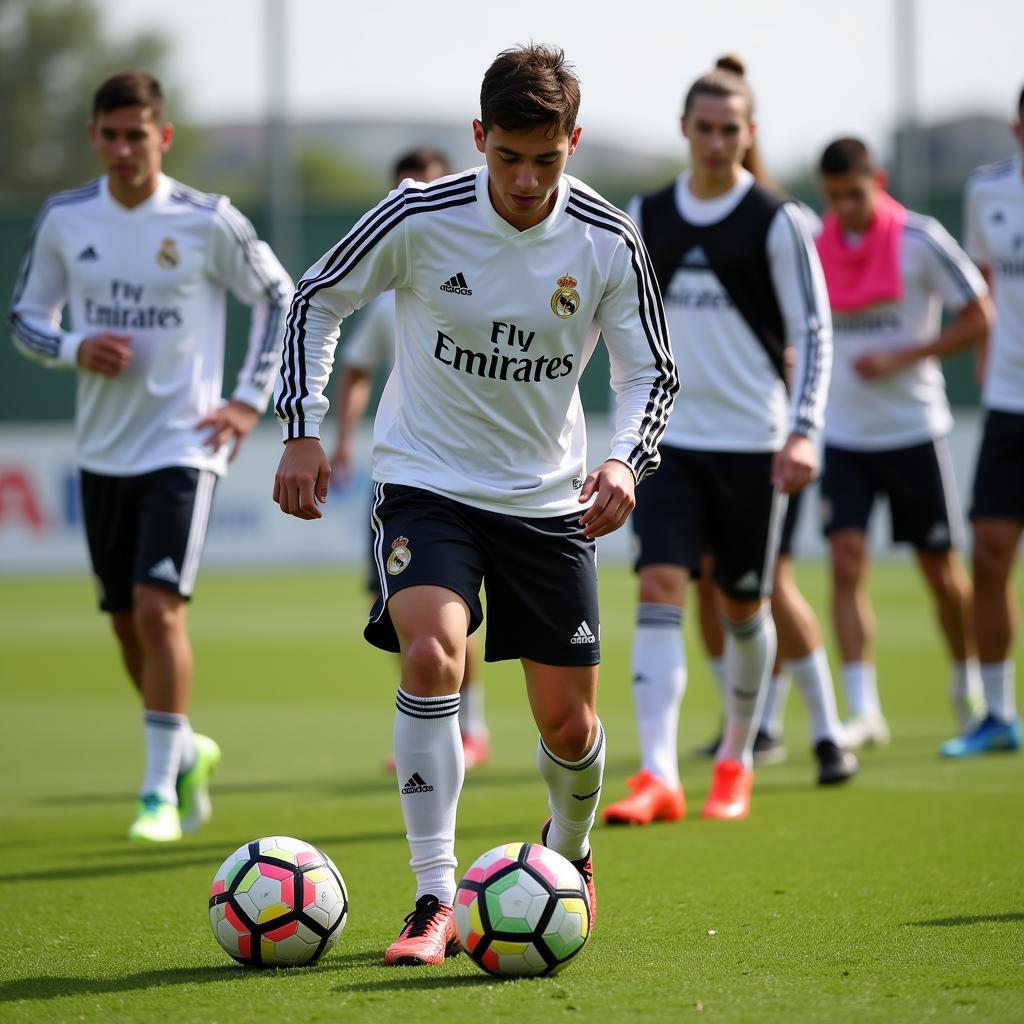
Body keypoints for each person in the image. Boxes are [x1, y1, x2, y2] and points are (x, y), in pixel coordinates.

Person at [273, 44, 676, 967]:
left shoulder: (609, 239)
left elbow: (652, 369)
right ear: (479, 138)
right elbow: (314, 300)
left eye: (548, 158)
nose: (528, 180)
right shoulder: (420, 215)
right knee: (430, 650)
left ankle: (568, 856)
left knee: (567, 727)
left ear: (573, 142)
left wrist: (622, 463)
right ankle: (431, 896)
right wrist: (300, 427)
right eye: (508, 157)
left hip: (548, 501)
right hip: (428, 481)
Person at [9, 71, 293, 842]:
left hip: (184, 445)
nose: (126, 148)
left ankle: (157, 792)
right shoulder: (67, 219)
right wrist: (73, 346)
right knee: (125, 624)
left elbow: (279, 295)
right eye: (112, 134)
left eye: (140, 134)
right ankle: (187, 749)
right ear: (95, 139)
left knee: (158, 608)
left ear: (163, 138)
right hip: (102, 451)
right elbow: (26, 322)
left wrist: (245, 400)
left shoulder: (207, 220)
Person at [602, 55, 834, 827]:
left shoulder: (778, 220)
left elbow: (814, 332)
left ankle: (735, 756)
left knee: (743, 604)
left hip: (755, 447)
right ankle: (659, 774)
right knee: (660, 588)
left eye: (729, 129)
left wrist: (803, 431)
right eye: (703, 128)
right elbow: (619, 325)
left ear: (749, 133)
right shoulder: (647, 212)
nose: (714, 141)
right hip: (666, 445)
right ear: (683, 130)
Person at [815, 137, 992, 749]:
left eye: (855, 194)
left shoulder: (921, 239)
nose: (846, 209)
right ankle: (864, 710)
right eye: (834, 198)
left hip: (916, 431)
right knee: (844, 565)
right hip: (843, 437)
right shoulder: (817, 247)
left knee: (941, 572)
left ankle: (968, 690)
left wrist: (905, 355)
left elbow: (980, 316)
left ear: (879, 181)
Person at [329, 147, 491, 769]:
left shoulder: (494, 271)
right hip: (411, 474)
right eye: (407, 188)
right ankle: (440, 725)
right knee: (414, 614)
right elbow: (357, 371)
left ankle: (469, 728)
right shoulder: (390, 289)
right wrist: (341, 438)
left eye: (431, 186)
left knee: (464, 613)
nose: (418, 200)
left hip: (496, 476)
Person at [943, 88, 1024, 756]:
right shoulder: (986, 192)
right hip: (1007, 403)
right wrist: (989, 355)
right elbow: (987, 282)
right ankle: (998, 713)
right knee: (991, 551)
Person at [693, 490, 857, 787]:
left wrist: (800, 442)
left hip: (763, 456)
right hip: (694, 453)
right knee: (707, 578)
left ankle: (828, 734)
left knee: (772, 583)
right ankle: (752, 726)